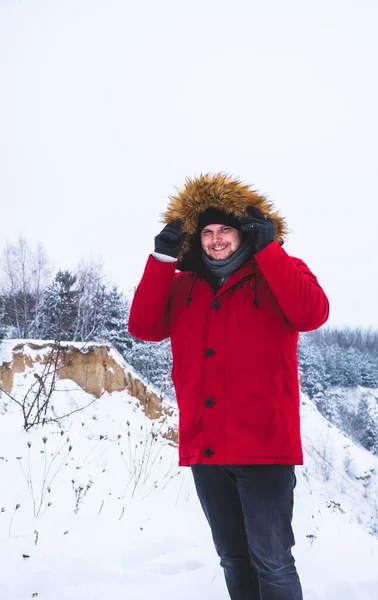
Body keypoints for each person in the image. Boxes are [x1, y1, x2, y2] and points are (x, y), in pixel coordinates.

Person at [128, 173, 329, 600]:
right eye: (207, 232)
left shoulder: (276, 274)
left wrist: (271, 250)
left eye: (226, 231)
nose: (216, 240)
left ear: (244, 234)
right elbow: (143, 328)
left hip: (264, 447)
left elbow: (312, 314)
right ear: (197, 239)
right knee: (233, 558)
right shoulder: (183, 286)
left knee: (273, 562)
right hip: (207, 448)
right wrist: (162, 261)